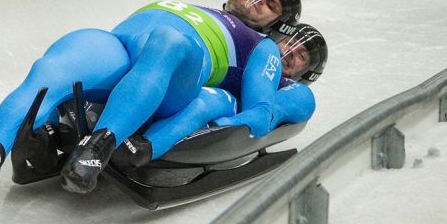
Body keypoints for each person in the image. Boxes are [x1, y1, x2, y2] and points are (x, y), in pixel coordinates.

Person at [0, 0, 302, 207]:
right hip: (122, 48)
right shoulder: (202, 9)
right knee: (68, 55)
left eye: (269, 4)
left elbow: (259, 108)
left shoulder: (263, 47)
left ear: (276, 24)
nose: (256, 0)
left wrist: (220, 113)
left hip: (178, 75)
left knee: (169, 40)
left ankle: (98, 145)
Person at [112, 23, 328, 168]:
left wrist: (231, 124)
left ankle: (143, 148)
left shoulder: (293, 89)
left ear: (306, 72)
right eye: (289, 43)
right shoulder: (255, 49)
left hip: (229, 104)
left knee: (205, 103)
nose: (290, 53)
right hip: (187, 89)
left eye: (301, 56)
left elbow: (294, 103)